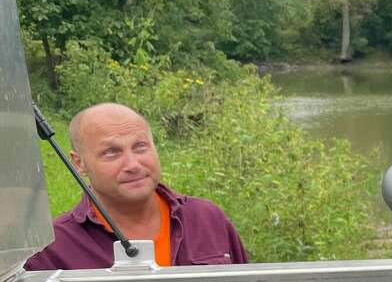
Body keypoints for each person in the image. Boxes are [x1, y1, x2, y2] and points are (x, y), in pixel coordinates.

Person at [25, 103, 249, 271]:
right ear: (79, 163)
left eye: (140, 147)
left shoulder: (207, 219)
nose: (133, 165)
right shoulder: (53, 249)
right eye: (111, 152)